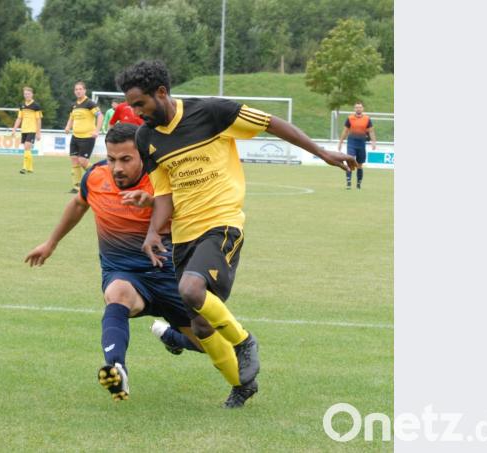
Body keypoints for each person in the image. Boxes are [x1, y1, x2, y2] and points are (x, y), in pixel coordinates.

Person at [116, 60, 358, 407]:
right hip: (184, 235)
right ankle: (241, 385)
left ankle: (244, 342)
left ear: (162, 93)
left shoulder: (212, 112)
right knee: (199, 326)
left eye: (141, 104)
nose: (137, 112)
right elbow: (164, 194)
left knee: (190, 288)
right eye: (133, 105)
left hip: (222, 223)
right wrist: (154, 232)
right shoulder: (147, 138)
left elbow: (272, 123)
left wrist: (321, 152)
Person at [26, 123, 257, 405]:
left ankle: (181, 342)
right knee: (117, 295)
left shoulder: (163, 179)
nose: (117, 167)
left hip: (171, 275)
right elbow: (78, 204)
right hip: (125, 273)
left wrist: (151, 204)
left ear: (143, 155)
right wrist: (51, 243)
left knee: (205, 338)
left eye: (126, 159)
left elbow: (190, 215)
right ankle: (116, 367)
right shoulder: (96, 177)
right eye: (112, 159)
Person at [63, 81, 103, 193]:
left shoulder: (90, 103)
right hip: (75, 137)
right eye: (76, 89)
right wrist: (67, 127)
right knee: (74, 161)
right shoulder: (74, 105)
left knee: (82, 161)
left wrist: (97, 131)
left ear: (84, 90)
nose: (78, 91)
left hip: (87, 137)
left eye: (80, 89)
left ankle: (99, 175)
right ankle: (77, 187)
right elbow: (71, 118)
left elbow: (100, 116)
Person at [337, 101, 377, 189]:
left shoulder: (367, 119)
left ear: (362, 109)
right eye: (357, 107)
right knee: (350, 161)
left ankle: (358, 184)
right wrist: (340, 142)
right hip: (352, 142)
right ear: (354, 109)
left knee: (360, 165)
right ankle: (348, 183)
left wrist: (373, 142)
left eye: (360, 107)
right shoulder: (350, 118)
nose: (358, 109)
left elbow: (371, 131)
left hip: (361, 143)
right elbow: (345, 131)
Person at [11, 86, 43, 175]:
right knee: (27, 150)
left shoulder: (36, 106)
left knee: (26, 147)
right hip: (24, 130)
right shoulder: (22, 105)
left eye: (28, 94)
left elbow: (38, 120)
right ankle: (30, 168)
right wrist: (14, 129)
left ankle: (24, 168)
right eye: (25, 94)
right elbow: (19, 118)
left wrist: (38, 132)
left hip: (32, 130)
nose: (27, 95)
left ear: (32, 95)